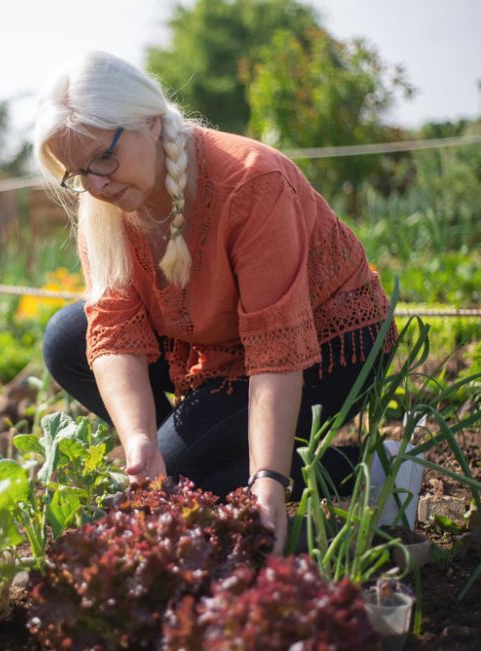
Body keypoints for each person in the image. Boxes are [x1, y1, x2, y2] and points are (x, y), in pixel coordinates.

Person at [34, 51, 396, 551]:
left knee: (184, 471)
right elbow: (114, 328)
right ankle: (191, 458)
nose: (95, 184)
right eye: (77, 173)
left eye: (103, 158)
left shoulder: (252, 181)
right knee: (67, 338)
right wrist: (140, 441)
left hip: (328, 341)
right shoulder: (105, 204)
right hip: (220, 344)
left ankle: (373, 470)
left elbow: (276, 349)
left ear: (151, 122)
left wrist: (268, 478)